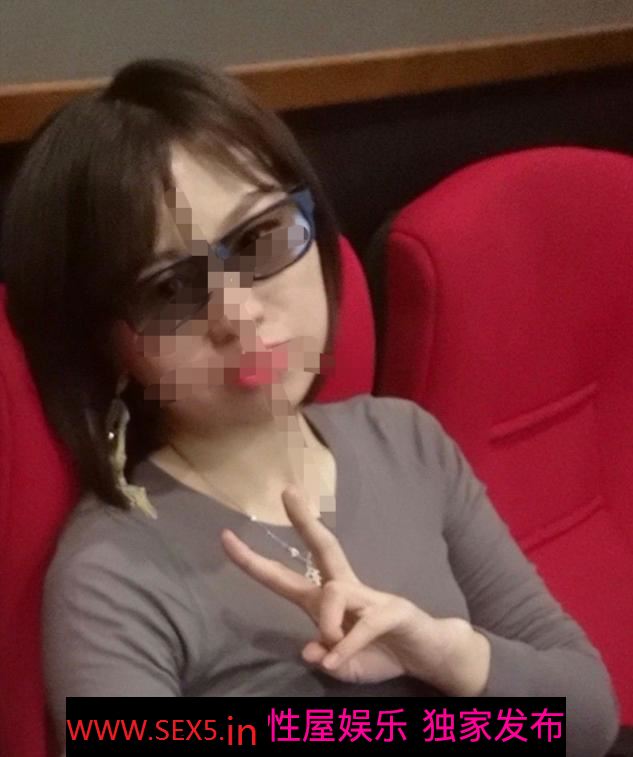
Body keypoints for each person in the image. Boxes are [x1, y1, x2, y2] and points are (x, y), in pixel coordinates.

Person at [1, 59, 618, 756]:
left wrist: (446, 653)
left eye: (259, 240)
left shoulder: (406, 442)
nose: (238, 314)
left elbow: (587, 715)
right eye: (170, 289)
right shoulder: (112, 573)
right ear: (108, 346)